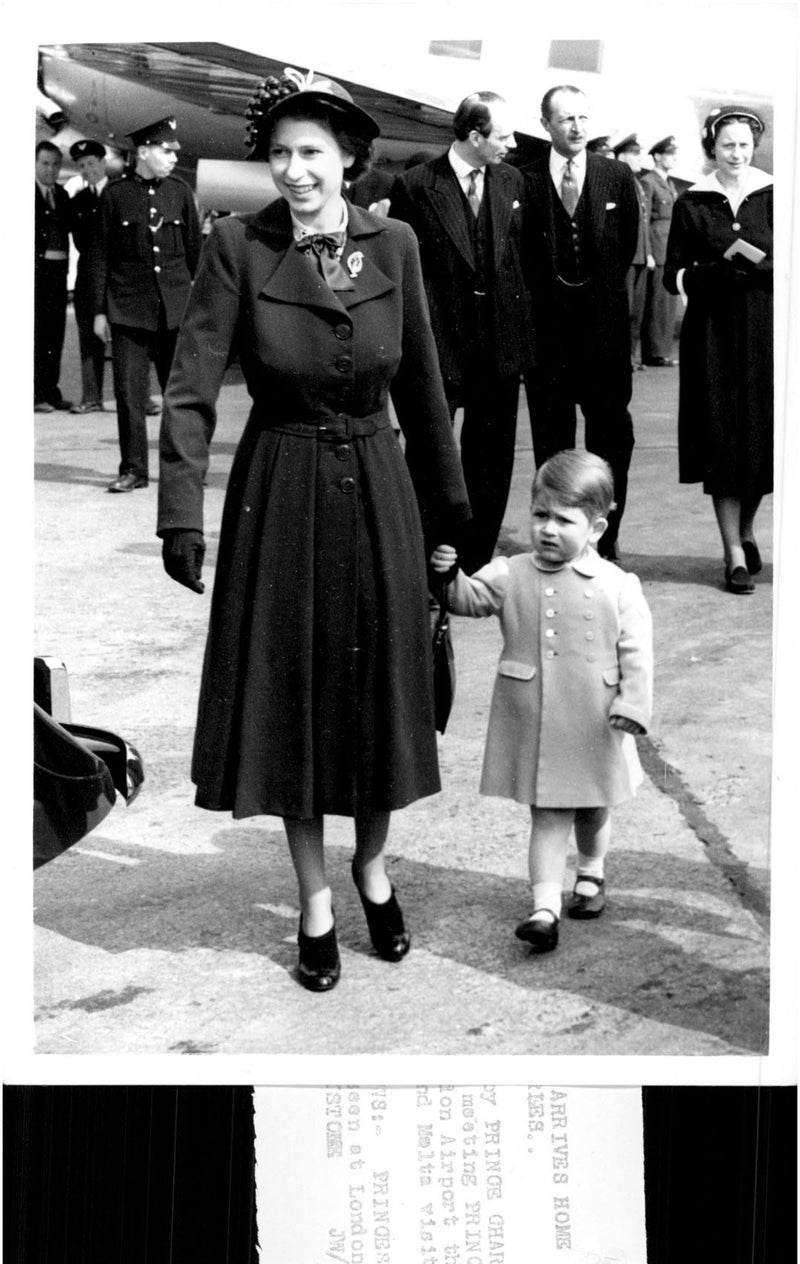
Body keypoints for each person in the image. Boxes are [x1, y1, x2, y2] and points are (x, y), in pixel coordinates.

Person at [156, 71, 472, 991]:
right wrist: (182, 515)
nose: (294, 171)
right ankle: (314, 899)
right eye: (281, 154)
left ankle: (371, 866)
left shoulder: (397, 243)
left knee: (380, 691)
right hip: (282, 485)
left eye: (313, 155)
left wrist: (450, 517)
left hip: (379, 483)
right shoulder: (237, 248)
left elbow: (424, 383)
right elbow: (191, 386)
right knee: (291, 696)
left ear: (348, 162)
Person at [430, 450, 652, 954]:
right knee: (548, 815)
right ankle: (544, 908)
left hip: (596, 718)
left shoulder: (618, 586)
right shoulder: (510, 573)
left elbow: (638, 651)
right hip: (535, 716)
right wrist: (449, 578)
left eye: (563, 520)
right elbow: (470, 601)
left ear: (596, 527)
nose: (547, 529)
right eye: (539, 515)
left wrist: (634, 705)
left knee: (594, 808)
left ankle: (591, 872)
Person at [388, 91, 534, 572]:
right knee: (430, 454)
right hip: (440, 344)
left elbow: (519, 262)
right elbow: (405, 273)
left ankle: (474, 560)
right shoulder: (416, 185)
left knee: (491, 460)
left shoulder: (512, 181)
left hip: (498, 345)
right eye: (504, 135)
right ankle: (423, 555)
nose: (512, 144)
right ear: (475, 137)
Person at [522, 86, 640, 564]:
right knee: (552, 441)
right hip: (547, 337)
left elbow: (627, 245)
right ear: (546, 124)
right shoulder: (525, 180)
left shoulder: (615, 175)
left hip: (604, 337)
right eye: (566, 119)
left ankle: (603, 538)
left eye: (583, 118)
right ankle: (555, 535)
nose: (576, 128)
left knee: (612, 437)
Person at [664, 106, 772, 595]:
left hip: (766, 334)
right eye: (728, 145)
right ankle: (732, 551)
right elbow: (673, 275)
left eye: (745, 146)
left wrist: (765, 267)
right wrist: (712, 274)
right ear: (713, 148)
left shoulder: (775, 196)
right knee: (723, 440)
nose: (737, 154)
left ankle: (747, 529)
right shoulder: (693, 202)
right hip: (712, 336)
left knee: (759, 441)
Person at [89, 117, 201, 491]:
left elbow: (194, 256)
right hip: (128, 310)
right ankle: (134, 469)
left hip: (174, 311)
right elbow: (100, 257)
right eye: (166, 151)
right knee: (129, 394)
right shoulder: (115, 196)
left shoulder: (181, 193)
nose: (172, 158)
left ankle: (182, 470)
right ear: (143, 152)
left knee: (181, 396)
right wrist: (99, 312)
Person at [68, 139, 110, 413]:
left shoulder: (119, 193)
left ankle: (140, 399)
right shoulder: (78, 202)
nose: (87, 170)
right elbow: (82, 243)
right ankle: (91, 397)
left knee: (125, 340)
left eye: (92, 164)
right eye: (82, 166)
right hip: (88, 277)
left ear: (103, 163)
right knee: (88, 337)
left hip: (116, 276)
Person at [34, 141, 72, 412]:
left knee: (54, 334)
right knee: (34, 334)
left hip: (58, 274)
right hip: (35, 274)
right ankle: (34, 394)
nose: (51, 169)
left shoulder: (62, 195)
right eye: (45, 163)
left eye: (56, 164)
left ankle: (51, 390)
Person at [612, 133, 655, 369]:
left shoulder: (637, 182)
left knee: (636, 311)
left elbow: (644, 222)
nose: (640, 158)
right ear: (621, 156)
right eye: (635, 154)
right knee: (623, 310)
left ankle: (631, 356)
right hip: (626, 256)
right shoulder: (616, 180)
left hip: (640, 254)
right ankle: (621, 358)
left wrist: (648, 252)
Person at [639, 135, 680, 365]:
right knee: (656, 304)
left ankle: (663, 350)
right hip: (657, 245)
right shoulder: (649, 181)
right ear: (657, 156)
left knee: (667, 302)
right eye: (669, 154)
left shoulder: (669, 183)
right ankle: (654, 352)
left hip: (668, 247)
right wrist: (649, 252)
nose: (674, 158)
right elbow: (645, 220)